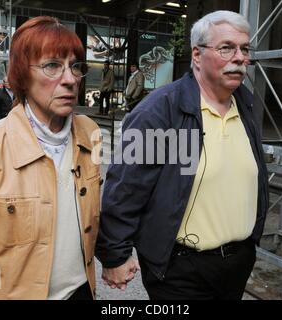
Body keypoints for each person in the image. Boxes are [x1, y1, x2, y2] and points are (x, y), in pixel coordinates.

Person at [96, 10, 269, 300]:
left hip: (238, 263)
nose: (240, 58)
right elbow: (126, 187)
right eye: (227, 48)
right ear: (197, 55)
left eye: (245, 49)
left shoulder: (246, 105)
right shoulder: (163, 111)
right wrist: (115, 254)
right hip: (182, 272)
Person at [0, 16, 101, 300]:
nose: (69, 79)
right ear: (22, 76)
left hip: (81, 292)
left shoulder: (91, 133)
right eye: (52, 65)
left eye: (75, 66)